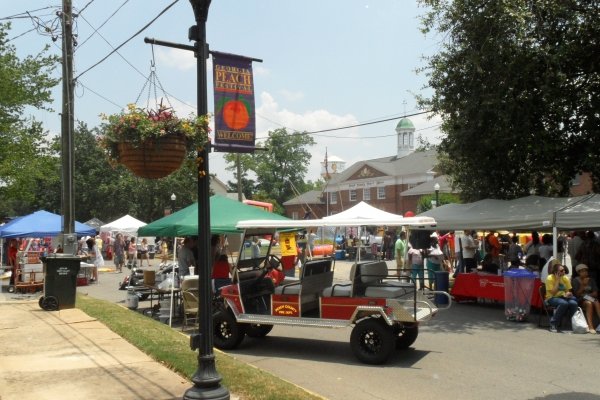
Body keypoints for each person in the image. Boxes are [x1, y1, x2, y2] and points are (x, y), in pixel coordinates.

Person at [545, 262, 578, 333]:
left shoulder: (565, 278)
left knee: (574, 302)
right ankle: (553, 324)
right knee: (564, 303)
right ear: (556, 272)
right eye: (561, 270)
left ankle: (574, 323)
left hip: (563, 297)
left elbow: (568, 291)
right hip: (552, 298)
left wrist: (568, 294)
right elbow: (553, 293)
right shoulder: (550, 278)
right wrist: (557, 280)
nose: (564, 271)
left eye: (564, 270)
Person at [571, 264, 600, 333]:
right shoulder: (575, 280)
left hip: (589, 298)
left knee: (596, 301)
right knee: (588, 303)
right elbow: (577, 294)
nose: (585, 272)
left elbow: (595, 293)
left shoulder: (591, 280)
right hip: (580, 300)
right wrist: (583, 285)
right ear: (578, 272)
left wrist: (587, 295)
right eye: (583, 271)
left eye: (586, 271)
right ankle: (590, 326)